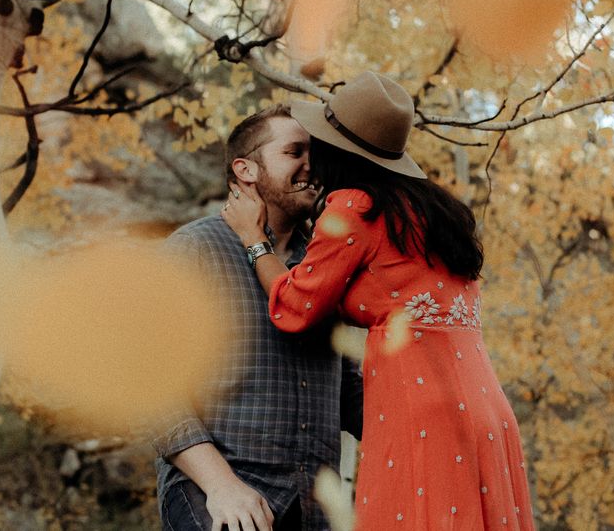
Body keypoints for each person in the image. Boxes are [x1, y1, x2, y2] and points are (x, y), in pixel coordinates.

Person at [223, 72, 536, 530]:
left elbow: (293, 308)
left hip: (420, 408)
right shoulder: (432, 211)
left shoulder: (354, 207)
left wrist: (254, 241)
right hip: (486, 407)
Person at [152, 105, 364, 531]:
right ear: (245, 169)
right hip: (220, 496)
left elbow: (351, 391)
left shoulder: (326, 263)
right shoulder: (192, 250)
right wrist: (222, 486)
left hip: (315, 511)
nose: (312, 166)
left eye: (315, 154)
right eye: (295, 152)